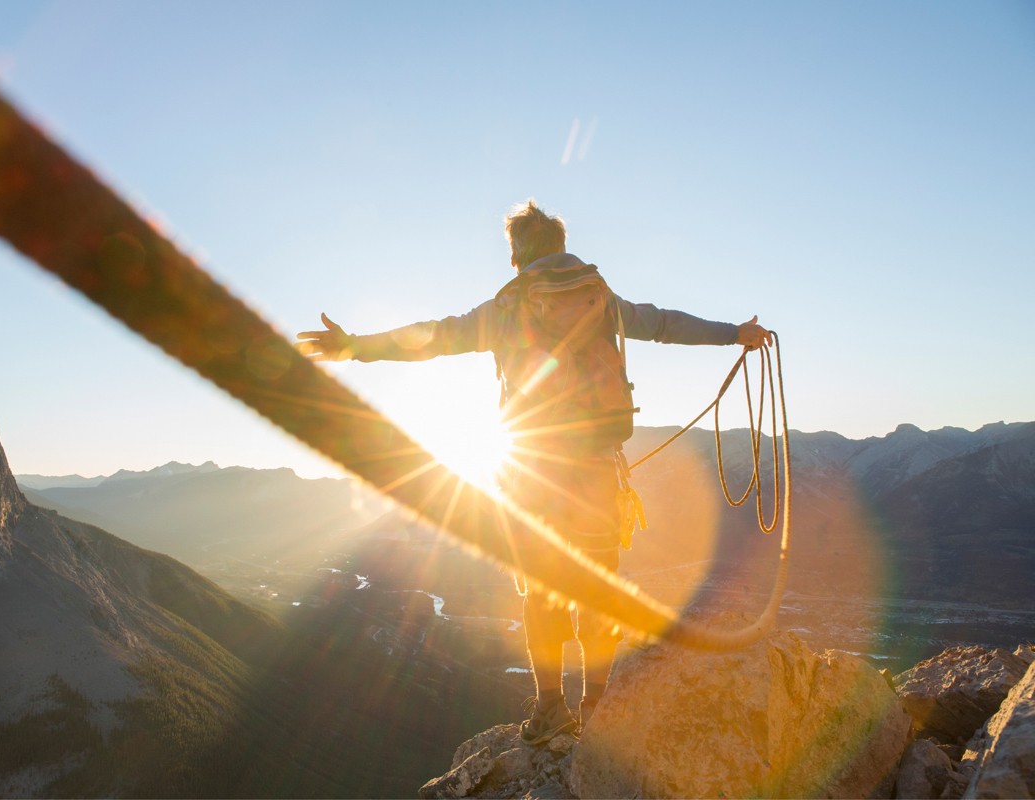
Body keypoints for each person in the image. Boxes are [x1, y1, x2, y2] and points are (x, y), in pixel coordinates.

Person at [297, 200, 770, 745]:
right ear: (562, 246)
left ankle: (551, 711)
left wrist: (355, 347)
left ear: (518, 254)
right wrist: (735, 333)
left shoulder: (508, 306)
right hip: (599, 470)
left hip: (536, 475)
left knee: (541, 595)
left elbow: (433, 337)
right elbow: (664, 324)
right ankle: (598, 705)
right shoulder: (602, 298)